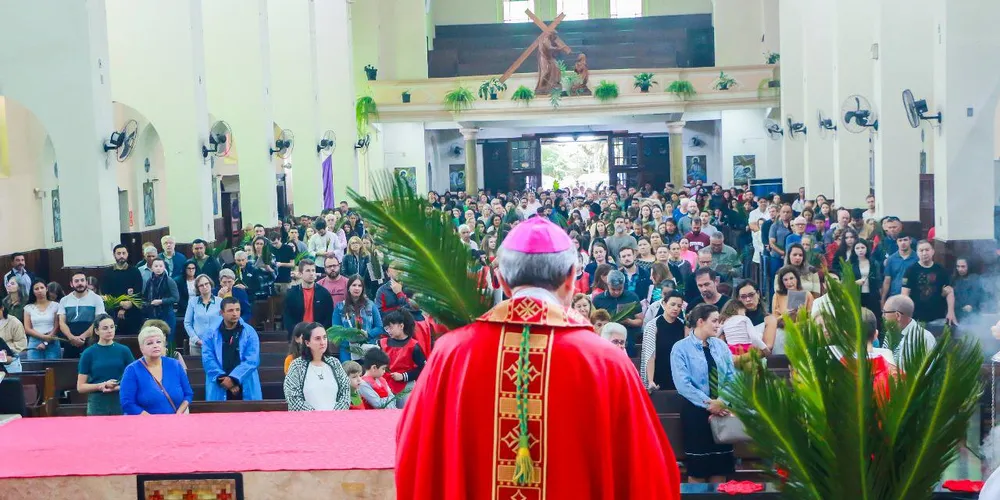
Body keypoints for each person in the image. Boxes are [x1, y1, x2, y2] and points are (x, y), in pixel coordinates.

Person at [395, 217, 680, 499]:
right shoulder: (607, 361)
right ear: (571, 278)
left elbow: (412, 453)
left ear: (503, 281)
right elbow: (649, 473)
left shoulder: (452, 353)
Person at [670, 303, 736, 483]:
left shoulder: (721, 346)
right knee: (698, 468)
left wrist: (722, 401)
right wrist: (710, 404)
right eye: (714, 321)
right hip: (696, 412)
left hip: (722, 410)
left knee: (720, 466)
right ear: (700, 321)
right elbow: (683, 384)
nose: (718, 325)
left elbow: (732, 377)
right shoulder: (680, 348)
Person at [119, 326, 193, 415]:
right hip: (144, 424)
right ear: (141, 348)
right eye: (150, 343)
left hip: (174, 423)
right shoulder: (132, 370)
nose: (155, 345)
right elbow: (127, 403)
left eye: (158, 342)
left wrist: (178, 415)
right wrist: (152, 420)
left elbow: (188, 394)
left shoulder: (175, 365)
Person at [201, 297, 262, 401]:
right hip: (220, 384)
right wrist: (224, 379)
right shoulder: (210, 333)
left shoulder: (249, 332)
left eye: (237, 310)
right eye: (230, 310)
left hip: (245, 384)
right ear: (221, 312)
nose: (235, 313)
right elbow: (208, 359)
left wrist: (234, 379)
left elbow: (252, 360)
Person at [283, 321, 351, 411]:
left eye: (324, 337)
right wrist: (316, 416)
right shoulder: (297, 366)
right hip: (307, 421)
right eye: (317, 339)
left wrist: (335, 414)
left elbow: (345, 391)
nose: (322, 342)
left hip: (335, 420)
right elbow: (293, 398)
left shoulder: (335, 363)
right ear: (307, 343)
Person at [76, 314, 134, 415]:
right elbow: (81, 387)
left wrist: (117, 387)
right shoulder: (88, 353)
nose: (109, 331)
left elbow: (134, 379)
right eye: (105, 328)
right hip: (97, 403)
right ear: (96, 331)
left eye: (112, 327)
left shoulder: (124, 350)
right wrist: (101, 385)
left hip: (121, 400)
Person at [901, 240, 957, 326]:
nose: (924, 253)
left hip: (938, 317)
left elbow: (949, 291)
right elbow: (904, 295)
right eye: (921, 250)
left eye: (927, 250)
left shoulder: (941, 270)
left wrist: (951, 312)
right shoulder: (910, 270)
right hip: (917, 319)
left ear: (933, 251)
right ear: (917, 253)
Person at [378, 309, 425, 407]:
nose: (388, 331)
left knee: (403, 414)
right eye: (386, 328)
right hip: (385, 384)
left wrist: (403, 376)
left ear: (401, 326)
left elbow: (423, 369)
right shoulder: (381, 343)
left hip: (406, 385)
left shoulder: (414, 346)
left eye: (390, 327)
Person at [332, 275, 383, 361]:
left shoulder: (371, 305)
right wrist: (349, 337)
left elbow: (380, 327)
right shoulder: (340, 307)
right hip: (347, 349)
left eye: (360, 286)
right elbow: (335, 331)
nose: (357, 288)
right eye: (354, 285)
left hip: (367, 347)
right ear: (348, 288)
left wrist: (368, 334)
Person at [641, 291, 685, 391]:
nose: (675, 308)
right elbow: (650, 354)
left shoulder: (682, 325)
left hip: (677, 375)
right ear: (664, 304)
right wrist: (650, 380)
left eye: (679, 306)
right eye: (672, 304)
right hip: (658, 373)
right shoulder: (653, 325)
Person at [592, 271, 643, 356]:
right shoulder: (598, 299)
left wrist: (629, 321)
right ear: (607, 285)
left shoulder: (632, 297)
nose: (616, 292)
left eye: (619, 289)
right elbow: (593, 322)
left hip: (627, 340)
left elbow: (640, 321)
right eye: (613, 289)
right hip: (605, 341)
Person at [58, 272, 106, 359]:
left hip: (90, 340)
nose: (80, 283)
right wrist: (71, 337)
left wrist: (82, 337)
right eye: (76, 281)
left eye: (82, 280)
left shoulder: (96, 298)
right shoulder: (64, 300)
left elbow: (98, 321)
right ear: (71, 284)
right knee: (69, 369)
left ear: (86, 283)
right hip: (70, 341)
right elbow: (61, 322)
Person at [283, 259, 334, 340]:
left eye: (313, 270)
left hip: (318, 336)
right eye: (308, 271)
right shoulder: (291, 294)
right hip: (298, 336)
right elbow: (288, 318)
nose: (311, 274)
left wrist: (320, 334)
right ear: (300, 274)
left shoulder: (324, 294)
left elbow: (328, 318)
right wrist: (296, 334)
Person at [883, 295, 936, 366]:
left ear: (898, 315)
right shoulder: (889, 334)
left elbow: (929, 371)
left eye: (885, 312)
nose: (883, 316)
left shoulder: (924, 338)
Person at [104, 244, 145, 335]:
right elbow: (105, 294)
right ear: (114, 255)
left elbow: (138, 292)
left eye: (124, 253)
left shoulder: (135, 271)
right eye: (118, 253)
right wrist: (119, 305)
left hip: (132, 312)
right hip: (113, 313)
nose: (121, 256)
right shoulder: (107, 273)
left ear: (127, 254)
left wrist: (128, 305)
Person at [23, 279, 63, 360]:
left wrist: (47, 340)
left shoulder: (56, 306)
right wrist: (43, 337)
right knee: (34, 370)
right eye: (36, 289)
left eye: (42, 287)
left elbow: (57, 326)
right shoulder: (28, 307)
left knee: (53, 370)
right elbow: (27, 328)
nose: (39, 290)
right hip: (34, 342)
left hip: (52, 340)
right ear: (33, 291)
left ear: (46, 289)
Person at [183, 274, 222, 356]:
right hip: (196, 346)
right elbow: (187, 323)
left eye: (206, 284)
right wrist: (196, 340)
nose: (204, 287)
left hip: (215, 344)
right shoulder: (193, 302)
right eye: (201, 285)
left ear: (210, 284)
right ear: (198, 288)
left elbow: (223, 322)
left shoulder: (220, 301)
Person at [141, 259, 179, 341]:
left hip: (167, 314)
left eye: (161, 266)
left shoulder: (169, 281)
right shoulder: (150, 281)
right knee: (155, 338)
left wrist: (161, 301)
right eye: (156, 266)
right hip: (153, 314)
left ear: (164, 268)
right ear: (152, 268)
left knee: (168, 339)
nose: (158, 268)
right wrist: (146, 304)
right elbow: (145, 296)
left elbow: (176, 298)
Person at [0, 300, 27, 373]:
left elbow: (21, 344)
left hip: (11, 362)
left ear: (2, 308)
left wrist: (5, 350)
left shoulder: (14, 322)